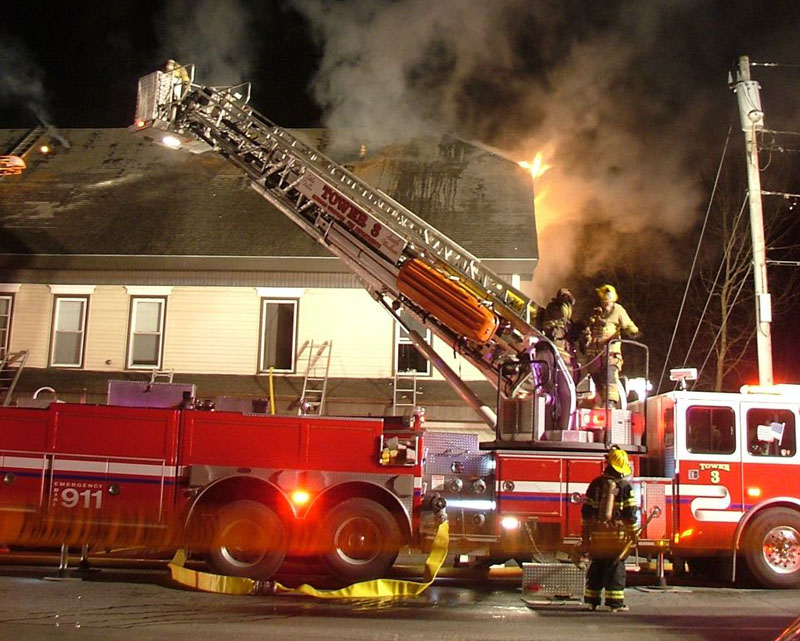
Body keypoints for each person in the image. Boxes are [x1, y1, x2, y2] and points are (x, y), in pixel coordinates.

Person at [580, 446, 638, 611]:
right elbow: (630, 513)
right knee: (615, 567)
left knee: (596, 566)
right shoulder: (625, 487)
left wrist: (585, 536)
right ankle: (615, 603)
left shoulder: (595, 484)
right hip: (616, 538)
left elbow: (586, 512)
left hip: (597, 536)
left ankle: (592, 600)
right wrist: (633, 533)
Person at [582, 284, 639, 408]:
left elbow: (628, 324)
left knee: (610, 377)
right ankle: (602, 401)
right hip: (594, 354)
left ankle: (610, 404)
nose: (606, 305)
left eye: (608, 302)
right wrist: (585, 334)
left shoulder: (618, 310)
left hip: (611, 352)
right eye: (604, 302)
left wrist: (634, 331)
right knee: (596, 377)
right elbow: (585, 326)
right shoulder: (595, 311)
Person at [541, 288, 580, 383]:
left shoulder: (566, 316)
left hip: (565, 345)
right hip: (558, 345)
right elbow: (560, 320)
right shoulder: (554, 308)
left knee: (573, 368)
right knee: (563, 368)